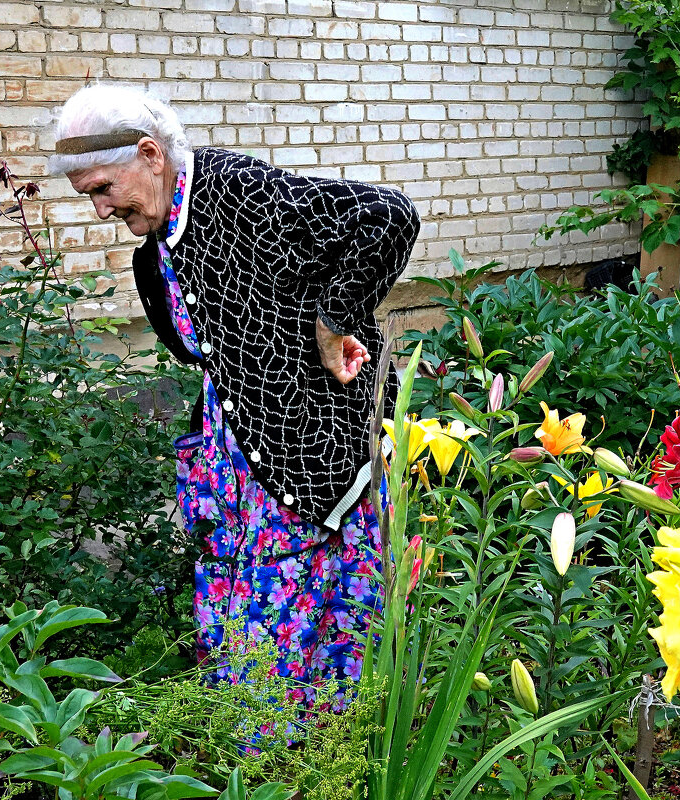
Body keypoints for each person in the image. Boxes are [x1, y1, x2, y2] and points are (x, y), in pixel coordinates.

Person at [49, 84, 420, 716]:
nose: (101, 212)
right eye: (90, 197)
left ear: (149, 154)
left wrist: (334, 322)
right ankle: (267, 763)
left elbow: (388, 216)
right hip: (237, 463)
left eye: (103, 190)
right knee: (249, 630)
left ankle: (314, 761)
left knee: (317, 621)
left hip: (308, 459)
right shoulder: (157, 251)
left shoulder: (243, 194)